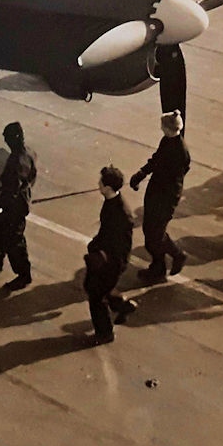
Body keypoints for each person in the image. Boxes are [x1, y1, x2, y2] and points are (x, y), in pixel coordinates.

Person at [130, 110, 190, 283]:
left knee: (154, 234)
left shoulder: (179, 150)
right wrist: (141, 173)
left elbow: (174, 173)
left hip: (165, 196)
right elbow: (157, 160)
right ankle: (159, 266)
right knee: (152, 232)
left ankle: (175, 256)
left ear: (167, 128)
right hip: (158, 193)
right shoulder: (169, 142)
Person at [0, 122, 37, 291]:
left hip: (15, 206)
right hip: (18, 200)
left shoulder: (16, 161)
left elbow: (10, 191)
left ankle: (24, 276)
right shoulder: (29, 153)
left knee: (15, 241)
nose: (5, 141)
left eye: (7, 138)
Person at [82, 166, 137, 345]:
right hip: (106, 256)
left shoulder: (121, 214)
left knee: (96, 295)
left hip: (112, 261)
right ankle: (122, 305)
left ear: (107, 187)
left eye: (101, 182)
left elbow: (119, 244)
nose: (98, 184)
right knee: (93, 286)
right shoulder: (111, 202)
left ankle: (105, 332)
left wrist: (101, 252)